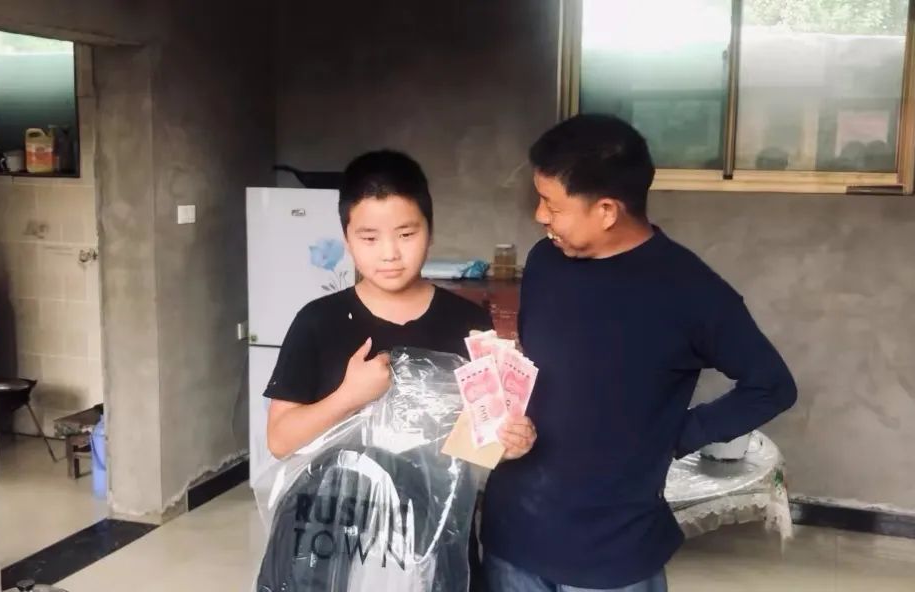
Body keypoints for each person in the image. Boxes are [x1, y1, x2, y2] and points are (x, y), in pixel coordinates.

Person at [479, 114, 798, 592]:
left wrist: (677, 434)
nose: (540, 216)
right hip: (513, 534)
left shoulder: (692, 293)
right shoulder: (545, 263)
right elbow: (539, 368)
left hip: (614, 552)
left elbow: (772, 386)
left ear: (607, 210)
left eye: (552, 204)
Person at [263, 149, 536, 590]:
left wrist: (508, 442)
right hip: (337, 541)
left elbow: (477, 445)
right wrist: (349, 396)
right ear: (346, 238)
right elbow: (280, 440)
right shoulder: (318, 322)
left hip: (434, 540)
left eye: (406, 233)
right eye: (369, 238)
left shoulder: (467, 323)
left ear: (430, 230)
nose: (389, 253)